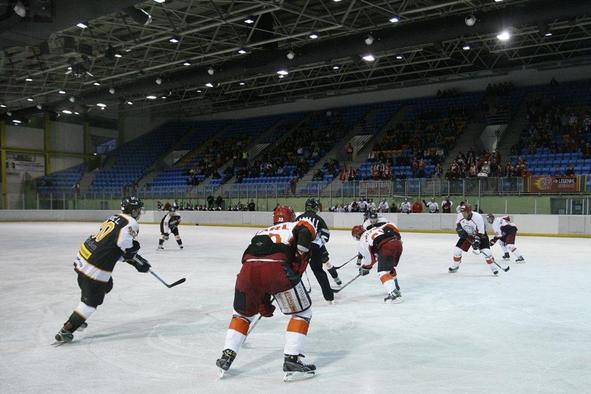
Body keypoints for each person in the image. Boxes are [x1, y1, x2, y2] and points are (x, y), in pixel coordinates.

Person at [215, 214, 318, 380]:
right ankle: (291, 358)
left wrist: (262, 300)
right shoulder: (297, 225)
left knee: (242, 314)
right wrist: (301, 255)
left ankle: (226, 356)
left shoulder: (261, 232)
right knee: (302, 313)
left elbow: (256, 261)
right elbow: (305, 232)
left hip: (247, 272)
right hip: (278, 270)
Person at [53, 196, 151, 344]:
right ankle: (67, 329)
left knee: (107, 285)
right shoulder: (132, 222)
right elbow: (124, 244)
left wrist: (135, 260)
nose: (139, 213)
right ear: (133, 210)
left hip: (85, 257)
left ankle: (79, 317)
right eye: (138, 210)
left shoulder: (115, 217)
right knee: (91, 302)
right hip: (95, 268)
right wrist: (133, 255)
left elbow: (112, 247)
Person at [296, 198, 341, 301]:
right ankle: (329, 297)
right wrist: (318, 245)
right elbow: (326, 235)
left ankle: (295, 296)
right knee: (318, 271)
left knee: (296, 272)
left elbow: (292, 234)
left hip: (299, 249)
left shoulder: (298, 218)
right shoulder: (318, 219)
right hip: (315, 249)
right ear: (314, 207)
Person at [356, 221, 404, 302]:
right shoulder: (375, 228)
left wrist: (366, 267)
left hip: (387, 247)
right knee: (389, 267)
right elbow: (391, 225)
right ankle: (396, 287)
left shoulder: (362, 240)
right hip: (397, 244)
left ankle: (394, 295)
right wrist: (398, 237)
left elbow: (370, 259)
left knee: (383, 272)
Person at [449, 204, 499, 275]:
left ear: (469, 212)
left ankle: (494, 268)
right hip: (467, 235)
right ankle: (455, 266)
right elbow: (458, 225)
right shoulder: (460, 215)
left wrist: (476, 241)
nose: (463, 214)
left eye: (464, 212)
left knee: (487, 252)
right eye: (462, 212)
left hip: (481, 235)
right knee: (457, 251)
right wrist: (460, 230)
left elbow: (481, 231)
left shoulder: (477, 217)